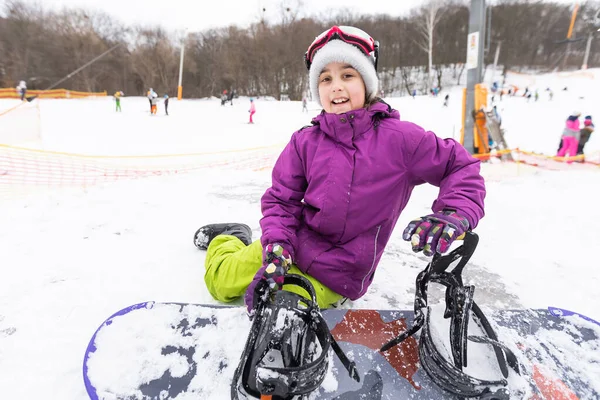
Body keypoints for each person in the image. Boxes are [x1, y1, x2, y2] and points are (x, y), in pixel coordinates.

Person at [193, 26, 486, 313]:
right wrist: (277, 247)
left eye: (347, 75)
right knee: (221, 283)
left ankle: (256, 256)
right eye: (325, 78)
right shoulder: (305, 141)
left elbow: (458, 165)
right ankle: (230, 237)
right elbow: (282, 200)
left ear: (367, 83)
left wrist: (453, 211)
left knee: (284, 308)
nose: (336, 86)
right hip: (290, 245)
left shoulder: (401, 139)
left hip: (338, 274)